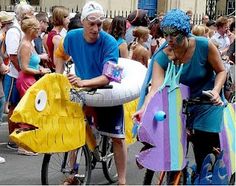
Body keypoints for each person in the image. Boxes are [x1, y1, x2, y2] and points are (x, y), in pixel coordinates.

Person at [133, 8, 226, 178]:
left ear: (185, 32)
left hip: (206, 103)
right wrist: (144, 109)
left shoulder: (204, 45)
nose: (169, 39)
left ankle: (206, 176)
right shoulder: (163, 55)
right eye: (165, 34)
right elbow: (155, 89)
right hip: (179, 103)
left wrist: (216, 91)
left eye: (174, 34)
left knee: (203, 150)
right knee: (171, 149)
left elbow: (221, 71)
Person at [54, 1, 127, 185]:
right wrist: (58, 75)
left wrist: (84, 82)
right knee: (76, 131)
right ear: (83, 21)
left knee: (117, 137)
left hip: (106, 92)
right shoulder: (72, 36)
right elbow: (60, 53)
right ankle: (72, 174)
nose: (96, 29)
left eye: (99, 24)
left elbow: (110, 76)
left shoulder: (109, 42)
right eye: (91, 24)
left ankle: (123, 181)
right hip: (83, 90)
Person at [3, 3, 34, 150]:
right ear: (23, 15)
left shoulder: (21, 29)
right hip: (15, 75)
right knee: (13, 106)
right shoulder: (14, 31)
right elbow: (13, 56)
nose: (32, 15)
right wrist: (22, 71)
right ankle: (12, 138)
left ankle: (19, 136)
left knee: (20, 106)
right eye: (30, 13)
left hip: (20, 74)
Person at [46, 6, 70, 72]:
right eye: (68, 17)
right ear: (62, 18)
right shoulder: (56, 37)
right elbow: (57, 62)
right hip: (58, 72)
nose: (69, 20)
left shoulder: (52, 34)